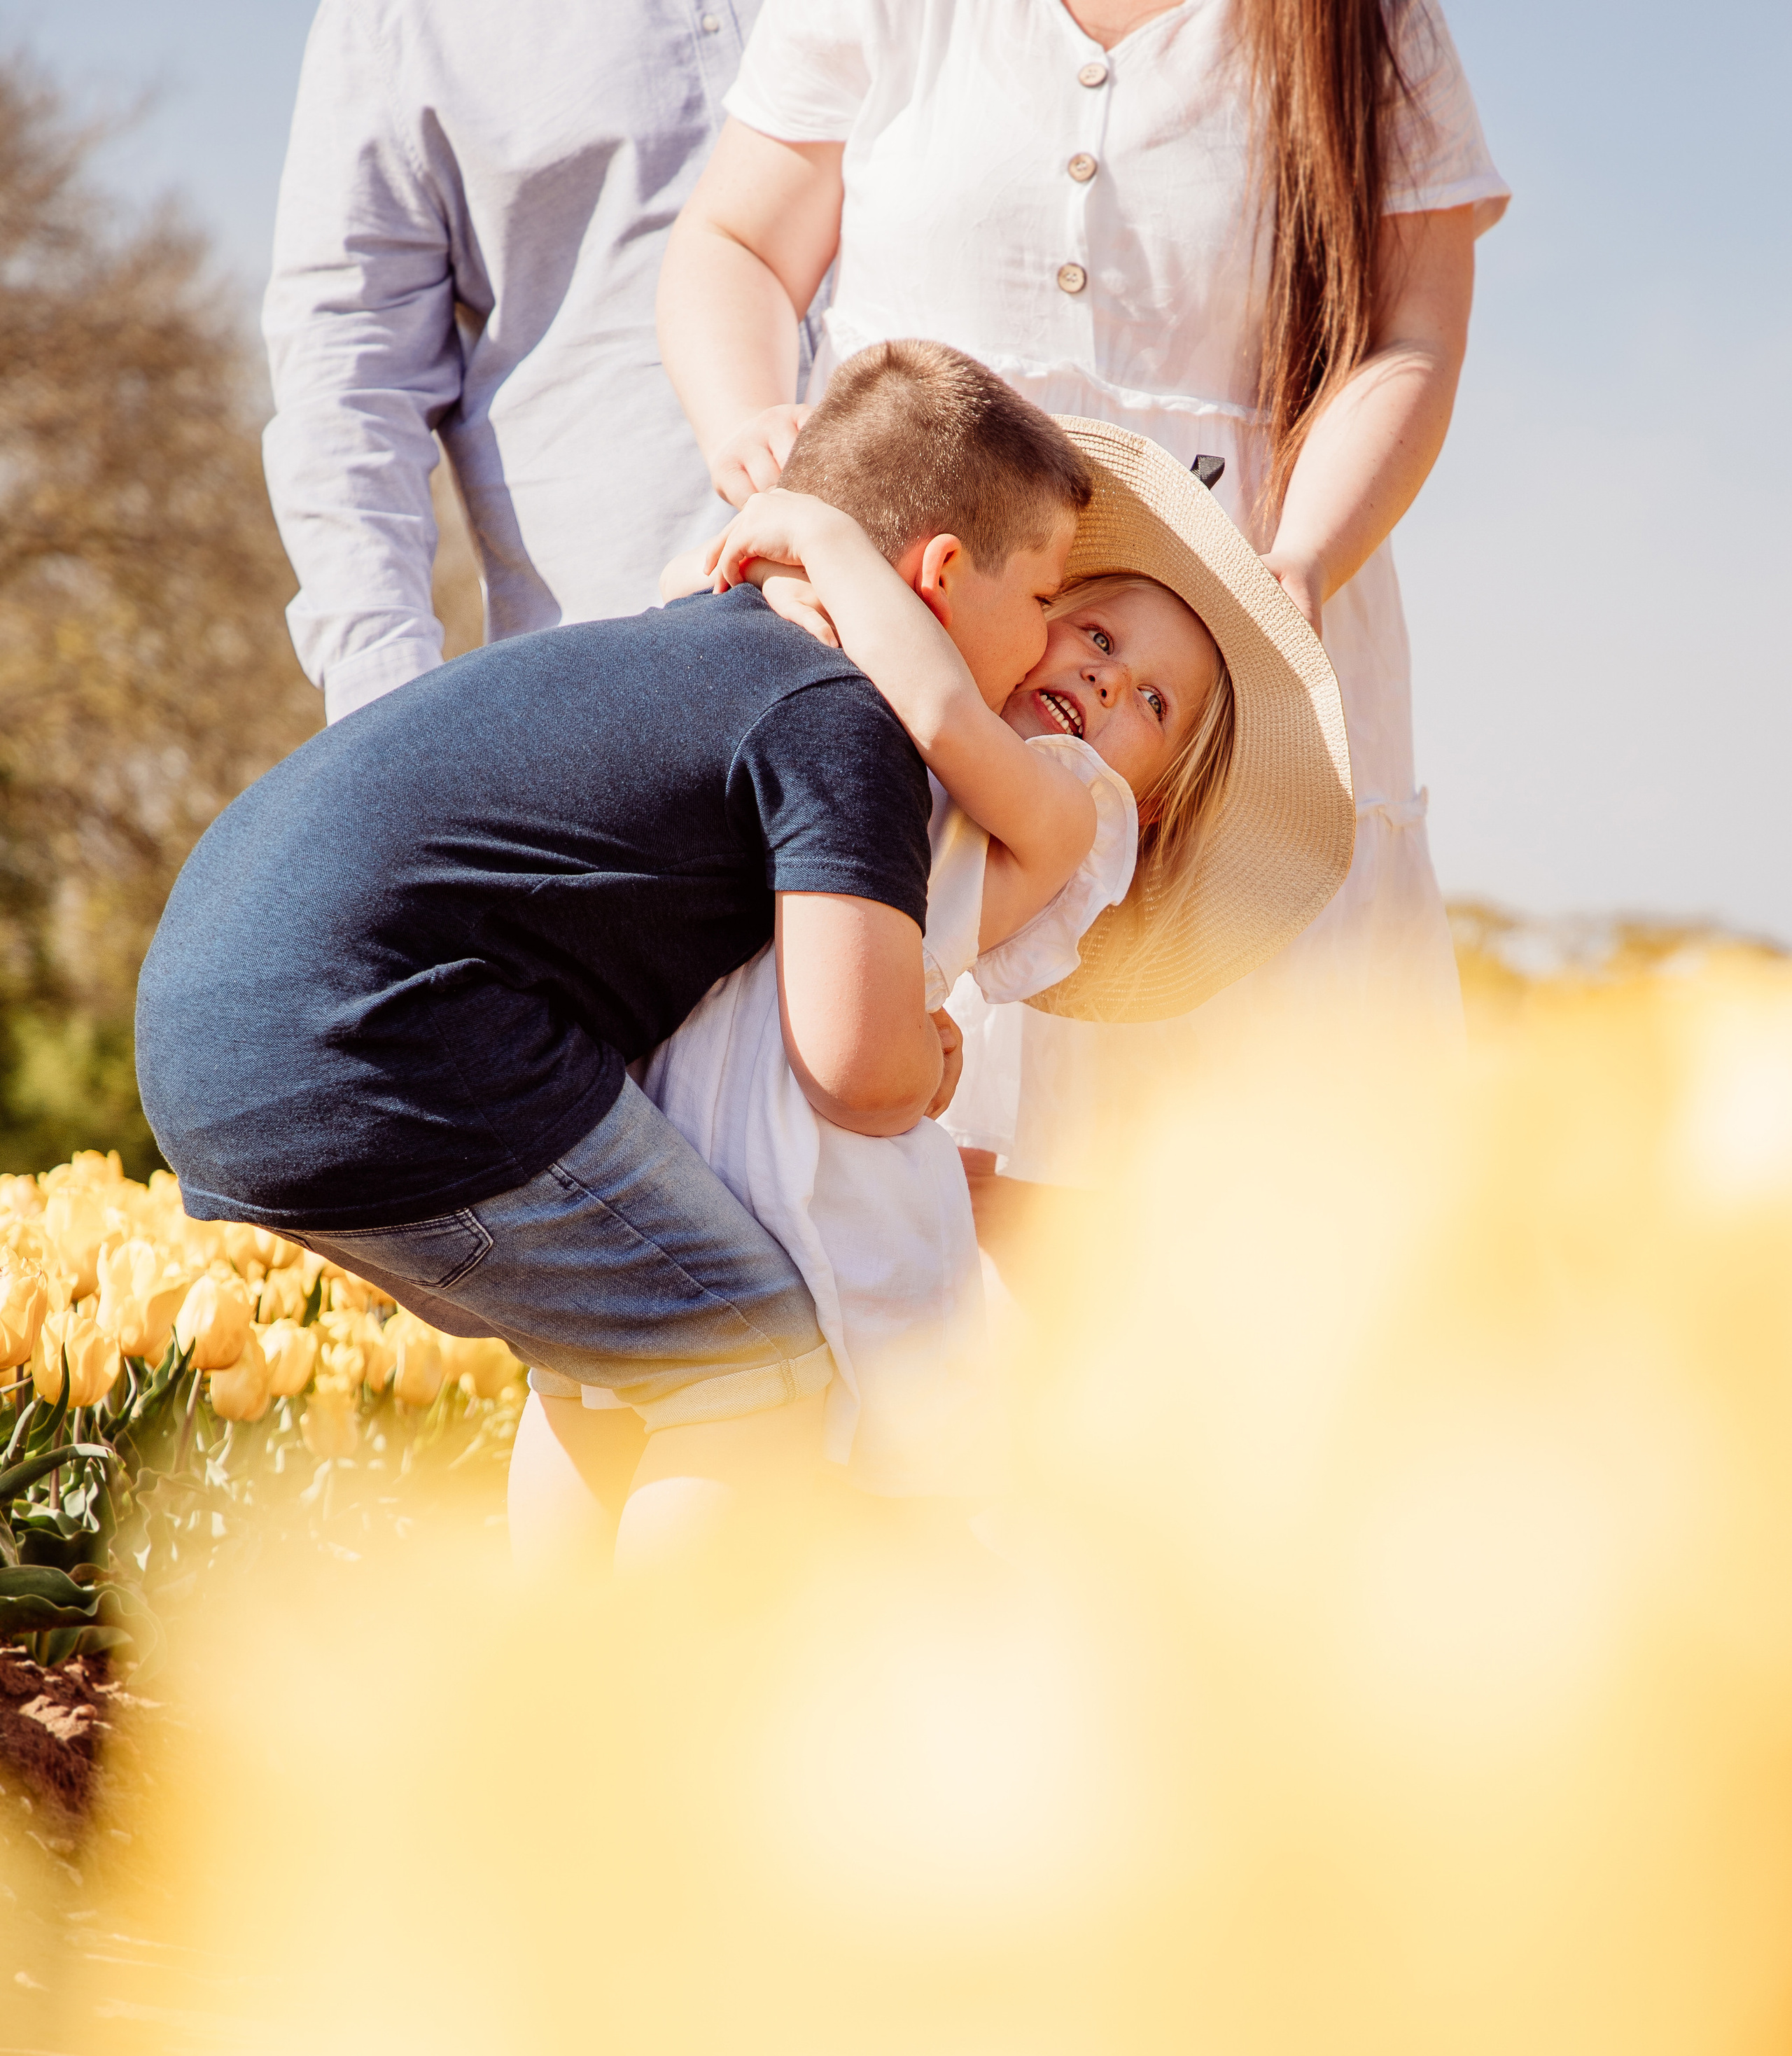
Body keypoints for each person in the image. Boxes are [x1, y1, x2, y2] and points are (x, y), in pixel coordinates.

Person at [132, 350, 1091, 1556]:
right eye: (1049, 599)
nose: (1053, 646)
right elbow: (857, 1068)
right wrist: (937, 1066)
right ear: (942, 574)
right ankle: (647, 1730)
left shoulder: (694, 641)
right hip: (375, 1037)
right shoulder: (841, 716)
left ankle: (552, 1694)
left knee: (616, 1369)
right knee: (744, 1368)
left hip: (215, 1012)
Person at [655, 0, 1510, 1206]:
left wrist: (1304, 555)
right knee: (825, 1155)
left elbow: (1411, 331)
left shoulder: (1363, 24)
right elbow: (735, 239)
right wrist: (749, 420)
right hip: (895, 625)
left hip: (1223, 662)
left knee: (1225, 1224)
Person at [635, 397, 1352, 1502]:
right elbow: (695, 599)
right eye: (1099, 637)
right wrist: (778, 588)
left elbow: (940, 711)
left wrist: (825, 540)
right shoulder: (877, 693)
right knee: (592, 1392)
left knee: (754, 1410)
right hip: (700, 1081)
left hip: (814, 1137)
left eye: (1151, 702)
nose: (1110, 682)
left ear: (1147, 805)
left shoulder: (1065, 815)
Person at [262, 0, 796, 725]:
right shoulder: (399, 23)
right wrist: (388, 726)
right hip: (620, 704)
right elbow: (350, 386)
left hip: (971, 673)